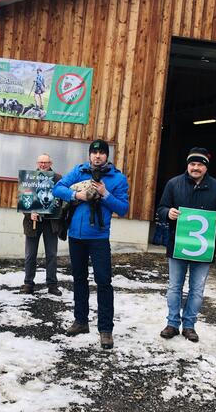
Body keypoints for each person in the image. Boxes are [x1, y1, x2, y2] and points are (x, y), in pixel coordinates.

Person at [54, 139, 129, 350]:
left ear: (107, 156)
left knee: (104, 282)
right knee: (79, 279)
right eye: (94, 152)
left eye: (102, 153)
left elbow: (123, 208)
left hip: (98, 237)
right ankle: (80, 321)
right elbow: (57, 189)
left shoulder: (117, 178)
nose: (97, 156)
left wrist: (105, 194)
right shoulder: (79, 172)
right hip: (76, 236)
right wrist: (76, 195)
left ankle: (106, 330)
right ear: (89, 155)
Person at [157, 147, 216, 343]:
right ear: (187, 165)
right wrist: (168, 213)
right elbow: (161, 208)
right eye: (192, 164)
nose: (195, 168)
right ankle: (172, 323)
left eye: (199, 164)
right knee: (174, 286)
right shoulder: (174, 184)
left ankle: (189, 326)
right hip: (178, 245)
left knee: (197, 289)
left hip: (203, 248)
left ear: (206, 167)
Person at [21, 154, 63, 296]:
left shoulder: (57, 178)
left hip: (51, 223)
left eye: (46, 162)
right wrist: (29, 213)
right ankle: (28, 283)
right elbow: (23, 199)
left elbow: (61, 200)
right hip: (33, 222)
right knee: (30, 255)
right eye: (40, 162)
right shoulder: (30, 178)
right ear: (37, 163)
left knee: (51, 254)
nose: (43, 165)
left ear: (50, 162)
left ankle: (52, 285)